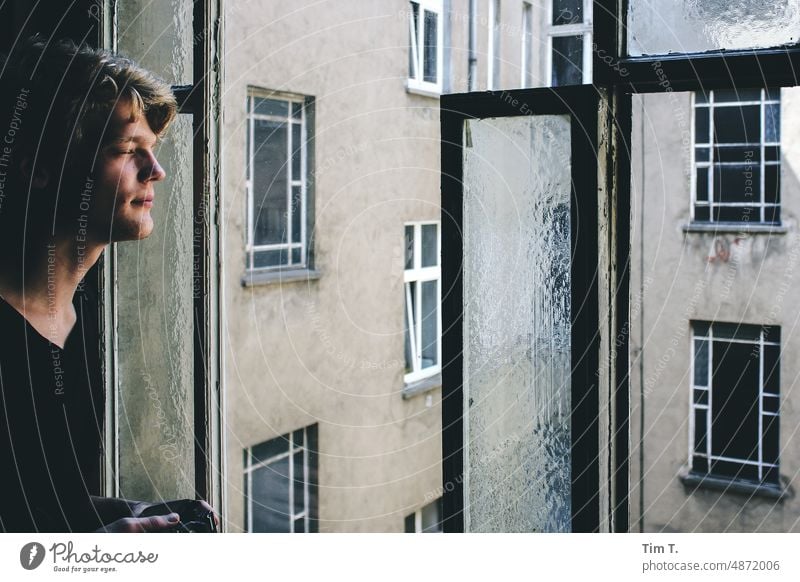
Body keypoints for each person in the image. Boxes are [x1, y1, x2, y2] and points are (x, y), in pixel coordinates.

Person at [0, 36, 215, 532]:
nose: (156, 172)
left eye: (152, 152)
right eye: (126, 150)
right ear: (39, 167)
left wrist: (126, 513)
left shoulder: (78, 317)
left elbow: (32, 498)